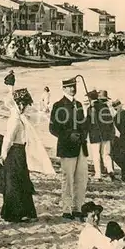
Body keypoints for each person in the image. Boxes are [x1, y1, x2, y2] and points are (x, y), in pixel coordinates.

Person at [0, 88, 54, 223]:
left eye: (24, 104)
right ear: (15, 104)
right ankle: (14, 214)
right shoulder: (15, 119)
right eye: (20, 104)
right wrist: (3, 156)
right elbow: (8, 139)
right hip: (14, 152)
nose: (22, 106)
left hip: (20, 152)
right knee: (15, 183)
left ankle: (22, 213)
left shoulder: (21, 118)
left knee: (21, 181)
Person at [49, 77, 89, 221]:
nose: (73, 89)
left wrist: (89, 113)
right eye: (70, 87)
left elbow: (84, 126)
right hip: (67, 147)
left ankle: (77, 208)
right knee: (67, 179)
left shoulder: (79, 105)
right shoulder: (58, 105)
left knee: (81, 178)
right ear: (64, 88)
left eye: (74, 86)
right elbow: (53, 128)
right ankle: (67, 209)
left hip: (81, 147)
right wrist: (69, 135)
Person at [86, 90, 115, 181]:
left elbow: (88, 122)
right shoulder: (104, 106)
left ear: (89, 98)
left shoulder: (90, 108)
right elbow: (110, 120)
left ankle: (98, 174)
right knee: (106, 154)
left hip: (95, 134)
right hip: (106, 134)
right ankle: (110, 170)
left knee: (96, 155)